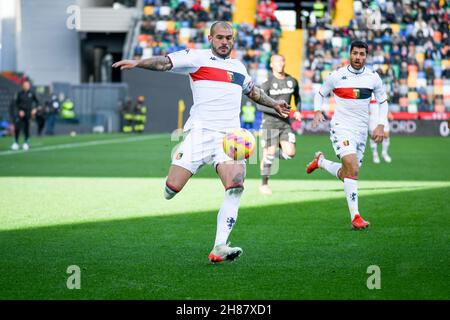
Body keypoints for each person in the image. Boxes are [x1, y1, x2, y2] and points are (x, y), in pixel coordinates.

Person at [112, 21, 290, 263]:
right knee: (171, 189)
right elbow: (164, 62)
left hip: (230, 138)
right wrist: (137, 63)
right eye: (220, 37)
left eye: (229, 38)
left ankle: (219, 246)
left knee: (236, 186)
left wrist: (275, 104)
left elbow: (253, 91)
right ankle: (179, 170)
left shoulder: (239, 67)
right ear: (210, 38)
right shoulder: (196, 58)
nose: (225, 42)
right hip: (200, 134)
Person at [306, 40, 389, 230]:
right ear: (349, 54)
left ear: (366, 56)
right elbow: (320, 93)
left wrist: (380, 125)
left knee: (349, 174)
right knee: (351, 165)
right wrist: (317, 110)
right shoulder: (337, 76)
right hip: (341, 126)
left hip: (361, 132)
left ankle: (321, 162)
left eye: (362, 54)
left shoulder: (373, 77)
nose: (358, 57)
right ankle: (356, 217)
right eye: (355, 53)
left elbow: (383, 102)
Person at [258, 54, 301, 195]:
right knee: (269, 153)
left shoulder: (291, 80)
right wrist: (276, 108)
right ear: (271, 64)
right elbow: (259, 105)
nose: (280, 64)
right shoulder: (267, 81)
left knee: (290, 153)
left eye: (282, 61)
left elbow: (297, 96)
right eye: (277, 61)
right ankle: (264, 184)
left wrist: (298, 111)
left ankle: (270, 153)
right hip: (269, 123)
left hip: (285, 123)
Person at [10, 80, 39, 151]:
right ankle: (16, 142)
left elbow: (38, 102)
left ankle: (26, 142)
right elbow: (15, 104)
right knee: (17, 127)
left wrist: (35, 109)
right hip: (20, 113)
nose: (26, 86)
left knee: (26, 128)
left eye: (27, 85)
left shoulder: (32, 93)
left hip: (28, 113)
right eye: (25, 85)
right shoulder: (19, 93)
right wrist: (19, 111)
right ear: (23, 86)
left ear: (29, 86)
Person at [369, 96, 392, 163]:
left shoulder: (381, 90)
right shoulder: (368, 90)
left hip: (382, 115)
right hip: (372, 116)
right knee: (373, 136)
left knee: (386, 135)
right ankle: (375, 154)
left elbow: (385, 103)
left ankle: (384, 153)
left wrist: (388, 112)